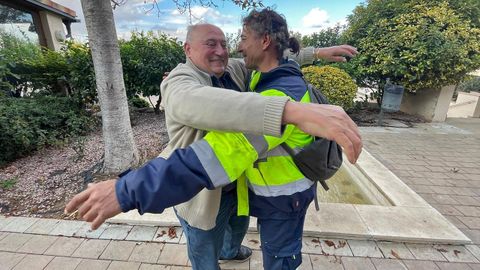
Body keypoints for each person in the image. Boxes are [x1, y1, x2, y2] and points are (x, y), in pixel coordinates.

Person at [65, 18, 361, 270]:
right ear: (188, 49)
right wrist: (291, 111)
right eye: (210, 44)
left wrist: (316, 52)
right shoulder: (178, 84)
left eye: (225, 43)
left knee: (235, 229)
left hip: (234, 184)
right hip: (199, 189)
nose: (222, 50)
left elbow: (268, 58)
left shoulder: (231, 70)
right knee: (204, 248)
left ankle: (231, 252)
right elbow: (209, 105)